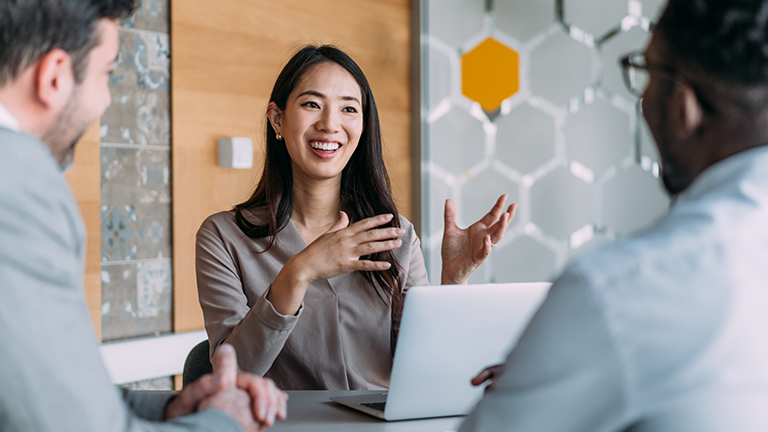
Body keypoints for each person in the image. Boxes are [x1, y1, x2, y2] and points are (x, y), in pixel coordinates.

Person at [460, 0, 768, 431]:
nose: (642, 98)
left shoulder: (616, 291)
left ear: (684, 107)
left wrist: (552, 371)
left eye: (647, 74)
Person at [0, 1, 287, 431]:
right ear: (55, 76)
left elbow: (48, 395)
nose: (106, 99)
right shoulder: (18, 181)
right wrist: (223, 422)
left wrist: (173, 409)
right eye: (107, 74)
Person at [195, 45, 517, 390]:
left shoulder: (397, 236)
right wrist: (299, 272)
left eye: (349, 108)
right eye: (311, 104)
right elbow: (231, 378)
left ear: (363, 125)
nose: (330, 124)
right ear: (278, 119)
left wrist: (454, 282)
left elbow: (429, 370)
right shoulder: (223, 237)